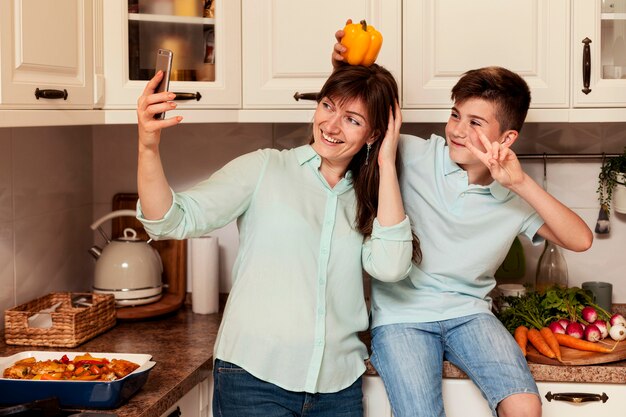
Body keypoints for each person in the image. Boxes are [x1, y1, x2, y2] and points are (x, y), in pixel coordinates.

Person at [135, 63, 420, 417]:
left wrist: (387, 162)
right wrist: (148, 146)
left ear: (374, 134)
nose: (331, 126)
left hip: (338, 387)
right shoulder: (265, 168)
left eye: (352, 119)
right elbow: (170, 221)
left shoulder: (370, 198)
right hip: (253, 381)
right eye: (328, 106)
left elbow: (392, 267)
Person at [332, 32, 593, 417]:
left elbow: (581, 239)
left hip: (470, 314)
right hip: (403, 317)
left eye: (475, 122)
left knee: (525, 407)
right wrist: (343, 71)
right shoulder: (411, 153)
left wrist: (519, 182)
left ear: (507, 137)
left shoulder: (514, 195)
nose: (456, 130)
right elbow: (353, 122)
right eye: (455, 114)